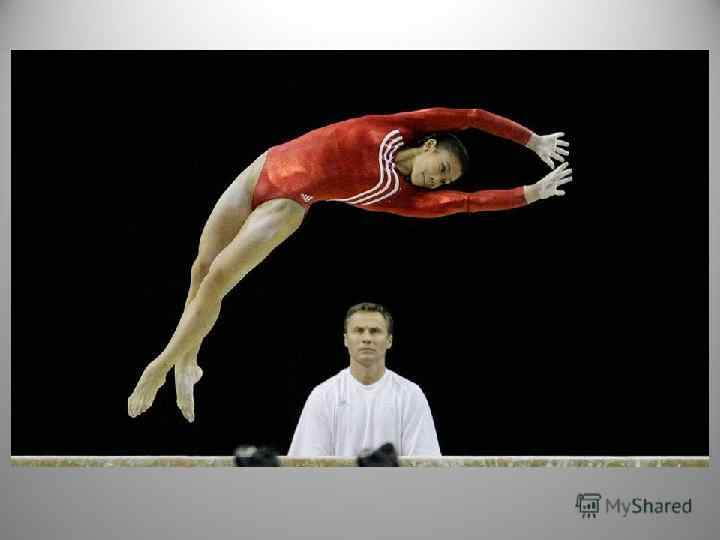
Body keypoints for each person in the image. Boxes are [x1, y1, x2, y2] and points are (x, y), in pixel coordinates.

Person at [128, 107, 572, 423]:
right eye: (442, 168)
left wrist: (529, 193)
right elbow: (472, 116)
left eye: (444, 181)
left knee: (220, 278)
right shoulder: (401, 127)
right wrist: (530, 140)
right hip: (266, 163)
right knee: (200, 268)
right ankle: (190, 361)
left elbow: (471, 203)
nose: (437, 180)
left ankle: (162, 363)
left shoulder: (407, 200)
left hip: (289, 203)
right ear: (430, 144)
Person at [288, 302, 441, 457]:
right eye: (359, 331)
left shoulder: (411, 396)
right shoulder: (323, 396)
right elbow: (307, 468)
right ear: (346, 340)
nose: (367, 338)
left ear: (389, 340)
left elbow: (425, 467)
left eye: (375, 331)